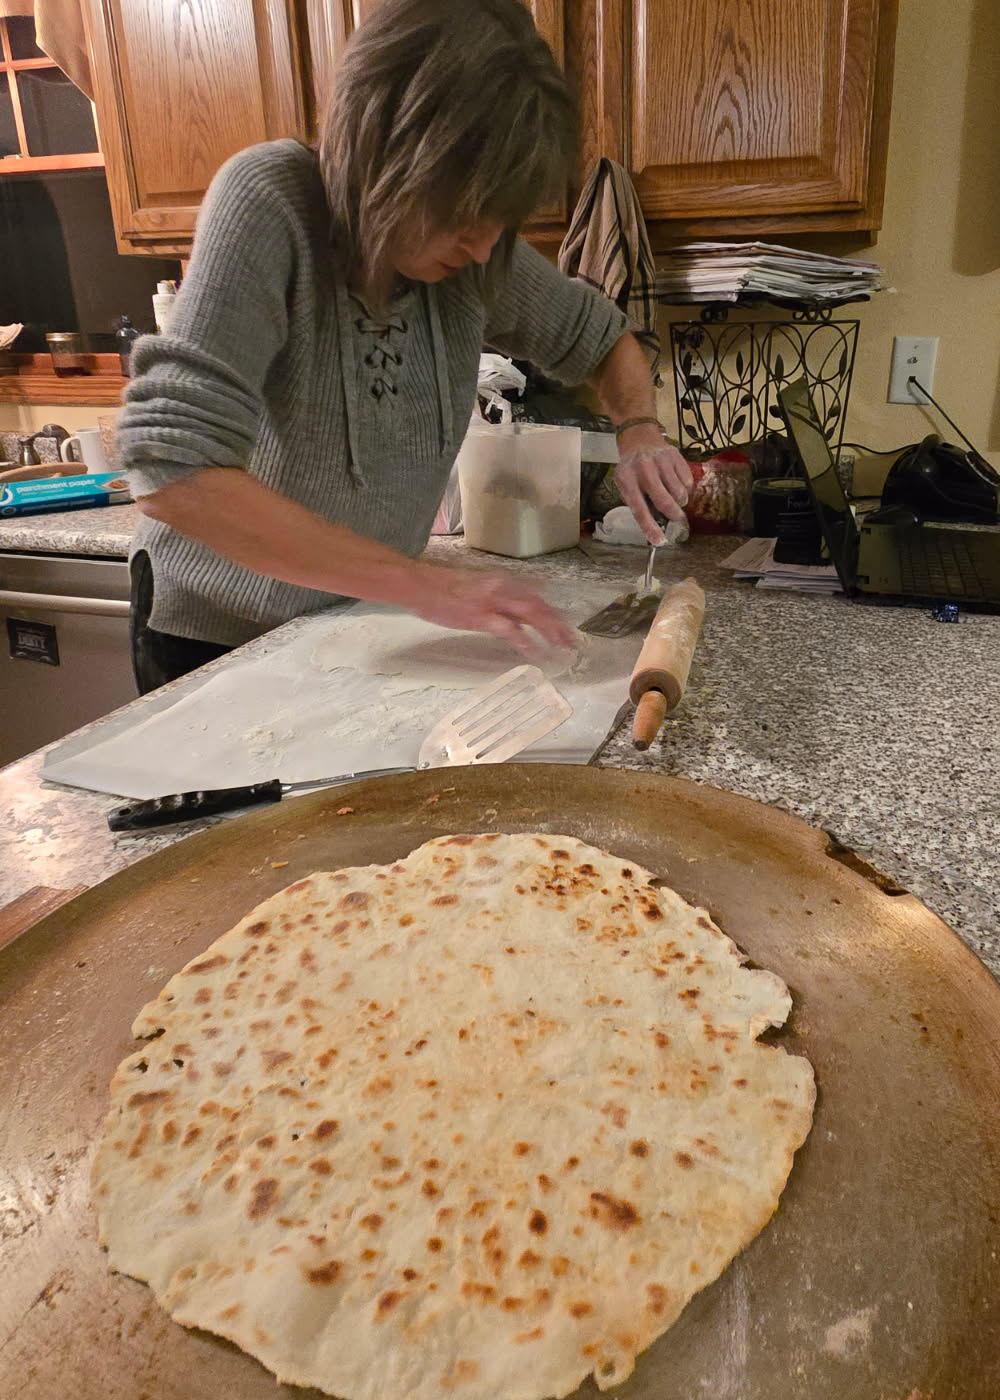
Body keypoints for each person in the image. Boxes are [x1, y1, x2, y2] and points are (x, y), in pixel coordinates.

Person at [119, 0, 692, 696]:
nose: (484, 246)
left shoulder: (472, 261)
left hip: (356, 621)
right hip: (212, 638)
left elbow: (603, 337)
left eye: (500, 220)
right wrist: (419, 583)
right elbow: (174, 470)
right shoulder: (268, 202)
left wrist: (639, 429)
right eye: (461, 214)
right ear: (383, 155)